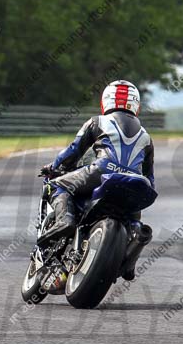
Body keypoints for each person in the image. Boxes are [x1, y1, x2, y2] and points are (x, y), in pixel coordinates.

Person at [38, 80, 155, 280]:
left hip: (101, 171)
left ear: (105, 102)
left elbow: (74, 151)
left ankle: (65, 221)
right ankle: (132, 256)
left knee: (56, 185)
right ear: (136, 105)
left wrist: (55, 167)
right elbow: (149, 177)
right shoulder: (147, 136)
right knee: (134, 221)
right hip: (137, 183)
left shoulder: (97, 121)